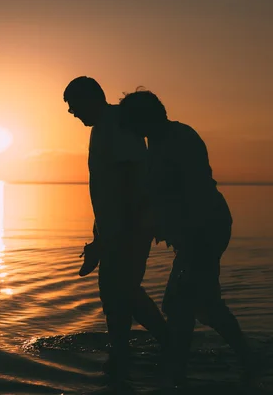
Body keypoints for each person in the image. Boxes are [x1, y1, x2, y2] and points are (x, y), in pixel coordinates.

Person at [118, 89, 260, 387]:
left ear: (144, 118)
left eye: (131, 121)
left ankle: (177, 374)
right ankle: (245, 360)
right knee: (205, 303)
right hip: (195, 232)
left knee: (178, 303)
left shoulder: (180, 139)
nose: (128, 129)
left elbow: (192, 190)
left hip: (204, 229)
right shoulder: (156, 141)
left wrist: (188, 237)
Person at [63, 77, 167, 388]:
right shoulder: (103, 128)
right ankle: (125, 353)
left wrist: (120, 234)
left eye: (73, 106)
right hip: (116, 228)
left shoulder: (115, 125)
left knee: (121, 291)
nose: (70, 112)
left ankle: (160, 346)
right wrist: (99, 238)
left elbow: (132, 178)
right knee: (117, 293)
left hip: (130, 226)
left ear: (90, 99)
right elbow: (107, 189)